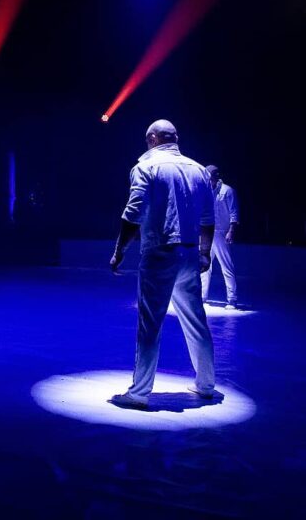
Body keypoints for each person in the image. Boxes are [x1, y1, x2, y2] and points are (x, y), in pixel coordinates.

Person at [108, 120, 216, 410]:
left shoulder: (146, 167)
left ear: (153, 139)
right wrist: (205, 253)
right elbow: (208, 219)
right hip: (190, 253)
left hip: (159, 251)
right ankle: (206, 384)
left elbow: (133, 214)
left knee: (150, 325)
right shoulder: (198, 170)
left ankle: (139, 392)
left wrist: (119, 251)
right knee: (196, 321)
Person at [201, 165, 240, 309]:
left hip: (221, 233)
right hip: (207, 232)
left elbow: (234, 212)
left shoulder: (228, 191)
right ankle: (202, 297)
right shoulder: (205, 190)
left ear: (216, 176)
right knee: (205, 265)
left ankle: (232, 299)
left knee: (226, 266)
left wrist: (231, 230)